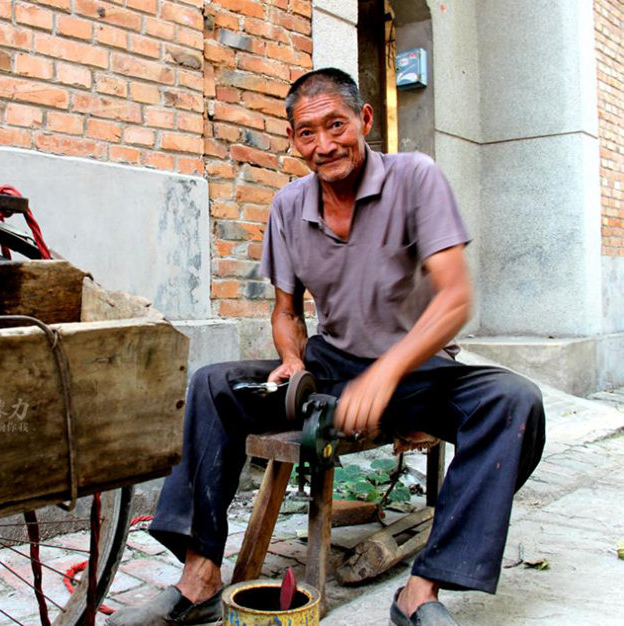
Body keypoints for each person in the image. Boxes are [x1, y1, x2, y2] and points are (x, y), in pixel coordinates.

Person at [108, 68, 545, 626]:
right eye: (306, 133)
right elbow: (286, 311)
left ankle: (421, 591)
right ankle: (199, 581)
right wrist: (291, 359)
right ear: (293, 139)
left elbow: (455, 298)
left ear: (364, 120)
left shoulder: (415, 177)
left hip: (417, 369)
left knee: (516, 401)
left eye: (335, 125)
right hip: (332, 366)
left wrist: (386, 374)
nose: (324, 144)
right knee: (212, 384)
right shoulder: (289, 206)